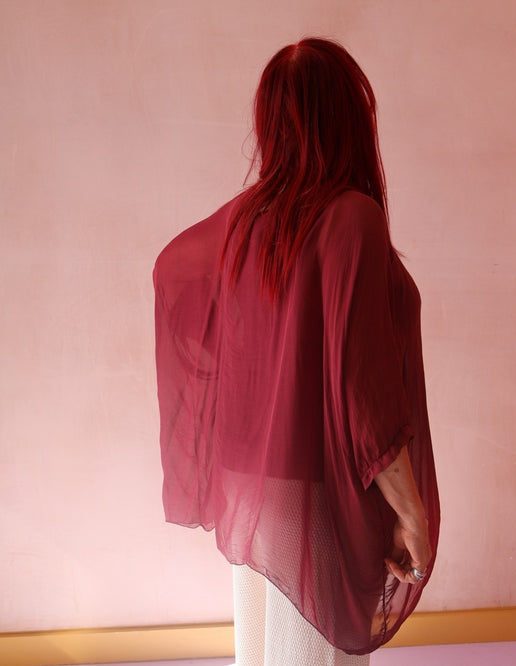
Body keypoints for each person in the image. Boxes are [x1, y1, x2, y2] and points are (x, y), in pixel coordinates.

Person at [153, 37, 440, 665]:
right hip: (318, 487)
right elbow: (364, 392)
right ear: (348, 116)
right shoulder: (352, 218)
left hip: (251, 483)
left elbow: (175, 270)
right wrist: (411, 513)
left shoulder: (247, 221)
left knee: (264, 655)